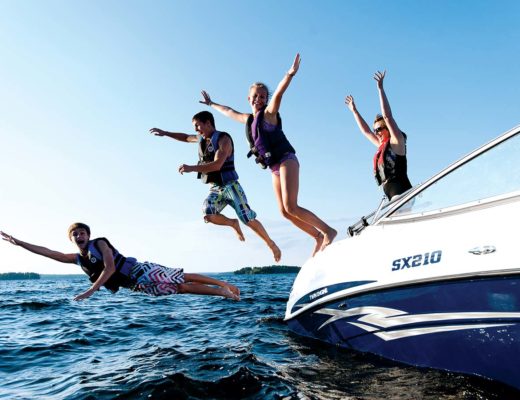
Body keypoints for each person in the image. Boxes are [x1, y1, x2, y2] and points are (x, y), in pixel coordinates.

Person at [199, 54, 337, 257]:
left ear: (266, 100)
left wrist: (289, 75)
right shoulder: (247, 119)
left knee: (292, 205)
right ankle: (316, 237)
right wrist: (211, 104)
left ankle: (328, 231)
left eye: (262, 97)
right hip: (274, 168)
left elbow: (279, 94)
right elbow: (228, 111)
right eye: (255, 96)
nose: (258, 99)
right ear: (249, 98)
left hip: (286, 160)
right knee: (284, 211)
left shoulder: (269, 114)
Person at [150, 111, 281, 262]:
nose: (196, 130)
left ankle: (271, 244)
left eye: (197, 126)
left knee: (247, 218)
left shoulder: (223, 139)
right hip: (216, 188)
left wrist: (191, 168)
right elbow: (185, 137)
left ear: (208, 123)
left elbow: (218, 165)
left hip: (231, 186)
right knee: (208, 214)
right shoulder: (201, 139)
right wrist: (165, 133)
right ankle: (232, 223)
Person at [1, 223, 240, 301]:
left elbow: (111, 267)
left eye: (83, 232)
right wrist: (20, 243)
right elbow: (47, 252)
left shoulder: (100, 243)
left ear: (88, 235)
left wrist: (91, 290)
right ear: (72, 239)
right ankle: (223, 293)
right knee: (181, 289)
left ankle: (223, 283)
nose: (80, 236)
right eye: (75, 234)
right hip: (137, 285)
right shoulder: (76, 259)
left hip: (140, 271)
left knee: (182, 276)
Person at [345, 71, 412, 200]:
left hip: (401, 192)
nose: (377, 133)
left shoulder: (397, 142)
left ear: (388, 128)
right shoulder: (382, 145)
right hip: (390, 194)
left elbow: (387, 116)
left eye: (379, 129)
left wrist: (380, 89)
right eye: (375, 130)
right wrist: (354, 111)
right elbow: (366, 132)